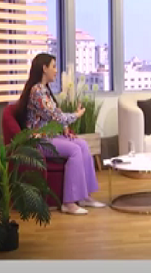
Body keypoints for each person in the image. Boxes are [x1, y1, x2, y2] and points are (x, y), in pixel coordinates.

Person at [15, 53, 105, 216]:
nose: (56, 70)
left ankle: (84, 196)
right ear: (44, 68)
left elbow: (55, 113)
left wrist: (65, 128)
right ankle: (69, 203)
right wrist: (76, 115)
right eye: (53, 66)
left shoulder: (45, 90)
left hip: (49, 136)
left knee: (83, 144)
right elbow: (56, 116)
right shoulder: (37, 91)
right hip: (38, 141)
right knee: (74, 150)